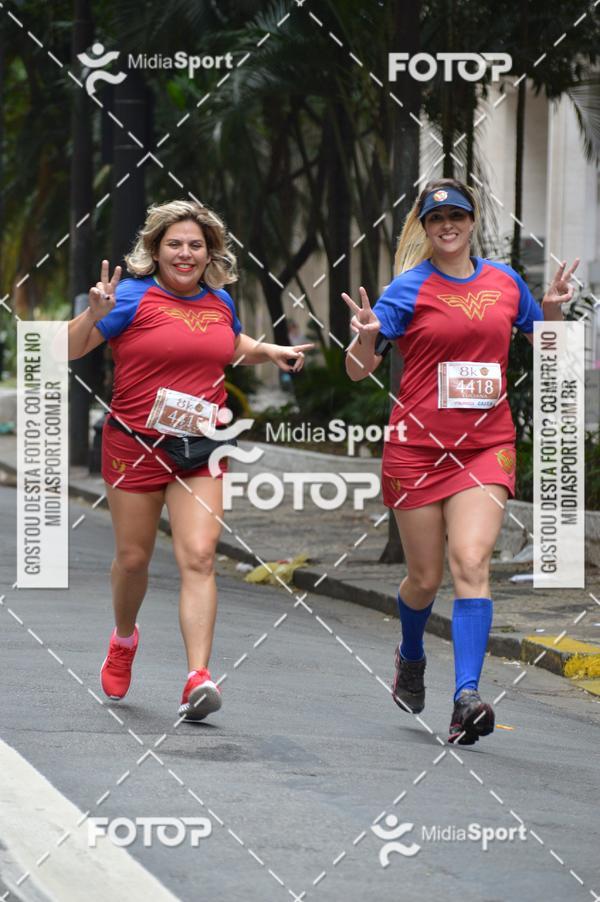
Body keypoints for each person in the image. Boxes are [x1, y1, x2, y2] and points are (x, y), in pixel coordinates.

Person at [343, 178, 579, 745]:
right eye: (436, 218)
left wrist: (550, 314)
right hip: (417, 450)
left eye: (456, 215)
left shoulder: (505, 282)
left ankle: (466, 697)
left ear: (472, 222)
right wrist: (367, 338)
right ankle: (411, 654)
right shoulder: (408, 288)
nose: (447, 225)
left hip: (484, 446)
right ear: (425, 229)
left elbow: (551, 351)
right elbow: (357, 370)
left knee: (471, 561)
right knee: (424, 578)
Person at [68, 200, 312, 721]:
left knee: (199, 557)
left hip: (201, 447)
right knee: (133, 559)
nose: (185, 253)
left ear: (209, 253)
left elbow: (228, 344)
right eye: (174, 244)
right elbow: (67, 349)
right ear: (155, 251)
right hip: (135, 444)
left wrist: (267, 351)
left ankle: (198, 677)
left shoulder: (219, 301)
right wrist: (93, 314)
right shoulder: (129, 296)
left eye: (195, 245)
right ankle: (124, 638)